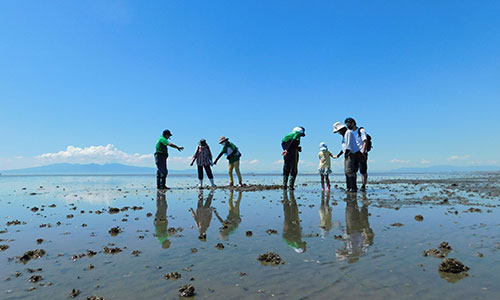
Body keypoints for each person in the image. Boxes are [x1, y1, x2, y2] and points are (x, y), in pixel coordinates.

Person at [347, 118, 369, 191]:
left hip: (362, 153)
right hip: (353, 153)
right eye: (347, 124)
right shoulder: (349, 132)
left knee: (363, 170)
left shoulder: (361, 130)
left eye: (349, 124)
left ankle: (363, 185)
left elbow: (365, 141)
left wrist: (363, 152)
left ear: (353, 123)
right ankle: (354, 185)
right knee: (354, 170)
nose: (348, 125)